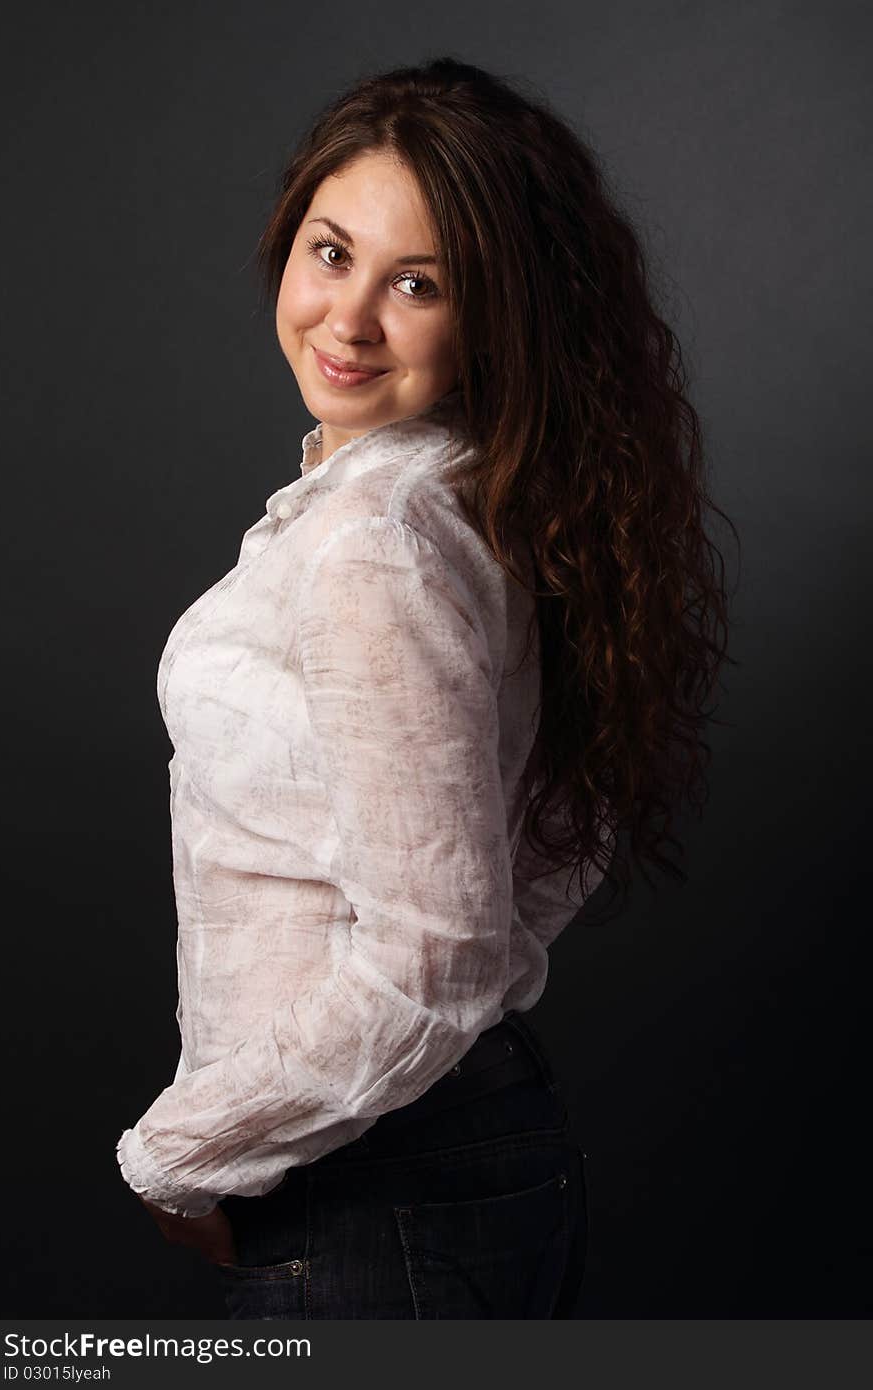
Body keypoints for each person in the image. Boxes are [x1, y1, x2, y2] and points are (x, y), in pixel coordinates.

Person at [115, 56, 735, 1319]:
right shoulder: (458, 497)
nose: (347, 321)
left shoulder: (376, 541)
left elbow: (439, 951)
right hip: (437, 1156)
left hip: (370, 1179)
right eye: (331, 253)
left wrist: (178, 1156)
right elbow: (557, 830)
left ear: (493, 316)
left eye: (418, 284)